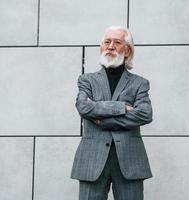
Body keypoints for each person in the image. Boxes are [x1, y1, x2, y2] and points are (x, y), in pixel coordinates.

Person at [71, 26, 153, 200]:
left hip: (130, 160)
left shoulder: (140, 83)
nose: (110, 46)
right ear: (101, 47)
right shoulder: (87, 80)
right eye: (107, 42)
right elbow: (83, 107)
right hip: (92, 159)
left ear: (128, 50)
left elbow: (145, 114)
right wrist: (121, 108)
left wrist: (102, 119)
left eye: (117, 42)